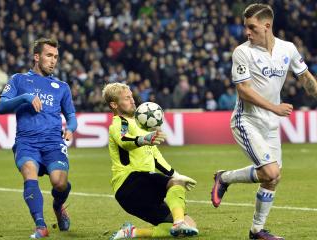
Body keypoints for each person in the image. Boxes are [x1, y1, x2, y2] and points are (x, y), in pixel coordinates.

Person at [211, 4, 317, 240]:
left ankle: (257, 230)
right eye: (246, 27)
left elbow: (306, 78)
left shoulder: (287, 49)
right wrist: (275, 107)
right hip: (246, 120)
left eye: (252, 27)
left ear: (267, 26)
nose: (247, 32)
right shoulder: (242, 52)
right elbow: (243, 91)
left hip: (270, 124)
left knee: (273, 178)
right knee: (270, 171)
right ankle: (225, 178)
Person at [0, 38, 77, 239]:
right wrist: (24, 98)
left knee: (59, 183)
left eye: (56, 57)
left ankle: (58, 207)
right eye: (49, 55)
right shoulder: (19, 80)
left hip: (53, 143)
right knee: (29, 174)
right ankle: (40, 226)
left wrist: (71, 128)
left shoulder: (62, 87)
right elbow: (1, 106)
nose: (53, 61)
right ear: (36, 57)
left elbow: (71, 116)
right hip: (27, 142)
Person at [102, 83, 199, 239]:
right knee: (176, 187)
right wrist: (143, 139)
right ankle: (178, 222)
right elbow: (124, 140)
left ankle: (132, 232)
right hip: (130, 181)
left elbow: (155, 156)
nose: (132, 100)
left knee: (190, 226)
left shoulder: (139, 124)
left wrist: (176, 174)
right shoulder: (120, 123)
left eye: (131, 97)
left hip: (139, 191)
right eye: (127, 98)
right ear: (114, 104)